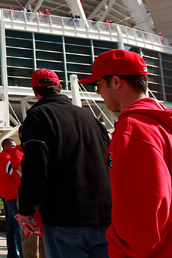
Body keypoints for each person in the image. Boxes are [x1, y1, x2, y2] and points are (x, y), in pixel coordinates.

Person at [81, 49, 172, 257]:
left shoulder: (133, 130)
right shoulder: (161, 124)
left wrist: (121, 249)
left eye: (99, 85)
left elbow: (144, 214)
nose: (97, 93)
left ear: (116, 82)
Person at [18, 68, 111, 257]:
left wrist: (26, 209)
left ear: (35, 91)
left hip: (65, 218)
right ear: (60, 87)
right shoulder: (90, 118)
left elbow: (35, 166)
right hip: (103, 217)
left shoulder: (38, 117)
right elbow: (110, 160)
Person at [0, 137, 23, 258]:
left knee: (11, 226)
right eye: (12, 146)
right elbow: (16, 172)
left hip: (7, 195)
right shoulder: (6, 159)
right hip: (13, 194)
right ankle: (23, 253)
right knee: (19, 226)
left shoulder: (1, 159)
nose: (14, 148)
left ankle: (12, 253)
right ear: (5, 146)